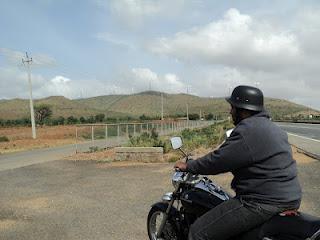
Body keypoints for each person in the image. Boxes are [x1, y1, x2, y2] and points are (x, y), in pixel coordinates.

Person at [174, 85, 302, 240]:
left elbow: (218, 160)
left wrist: (189, 166)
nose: (230, 112)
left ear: (244, 110)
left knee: (197, 232)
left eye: (232, 107)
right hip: (290, 197)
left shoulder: (247, 130)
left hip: (260, 202)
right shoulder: (273, 128)